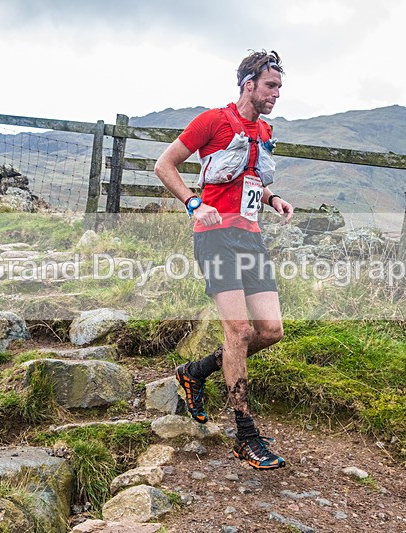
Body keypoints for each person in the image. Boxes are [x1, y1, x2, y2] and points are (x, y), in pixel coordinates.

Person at [154, 49, 294, 470]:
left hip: (250, 238)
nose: (276, 94)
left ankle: (195, 372)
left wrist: (273, 198)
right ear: (248, 84)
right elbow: (164, 165)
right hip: (215, 238)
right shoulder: (212, 121)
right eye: (270, 86)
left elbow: (249, 178)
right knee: (238, 331)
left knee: (270, 331)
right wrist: (194, 203)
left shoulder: (264, 130)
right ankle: (245, 436)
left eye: (280, 88)